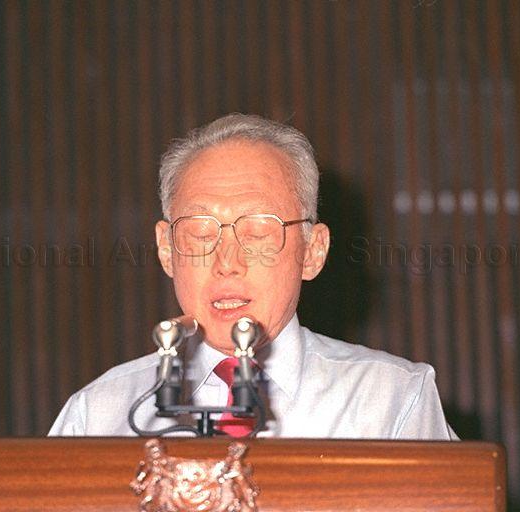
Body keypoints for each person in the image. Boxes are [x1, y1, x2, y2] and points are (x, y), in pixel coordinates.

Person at [49, 113, 457, 440]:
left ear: (313, 251)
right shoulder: (99, 415)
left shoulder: (391, 402)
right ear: (166, 249)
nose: (227, 262)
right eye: (201, 232)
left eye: (258, 232)